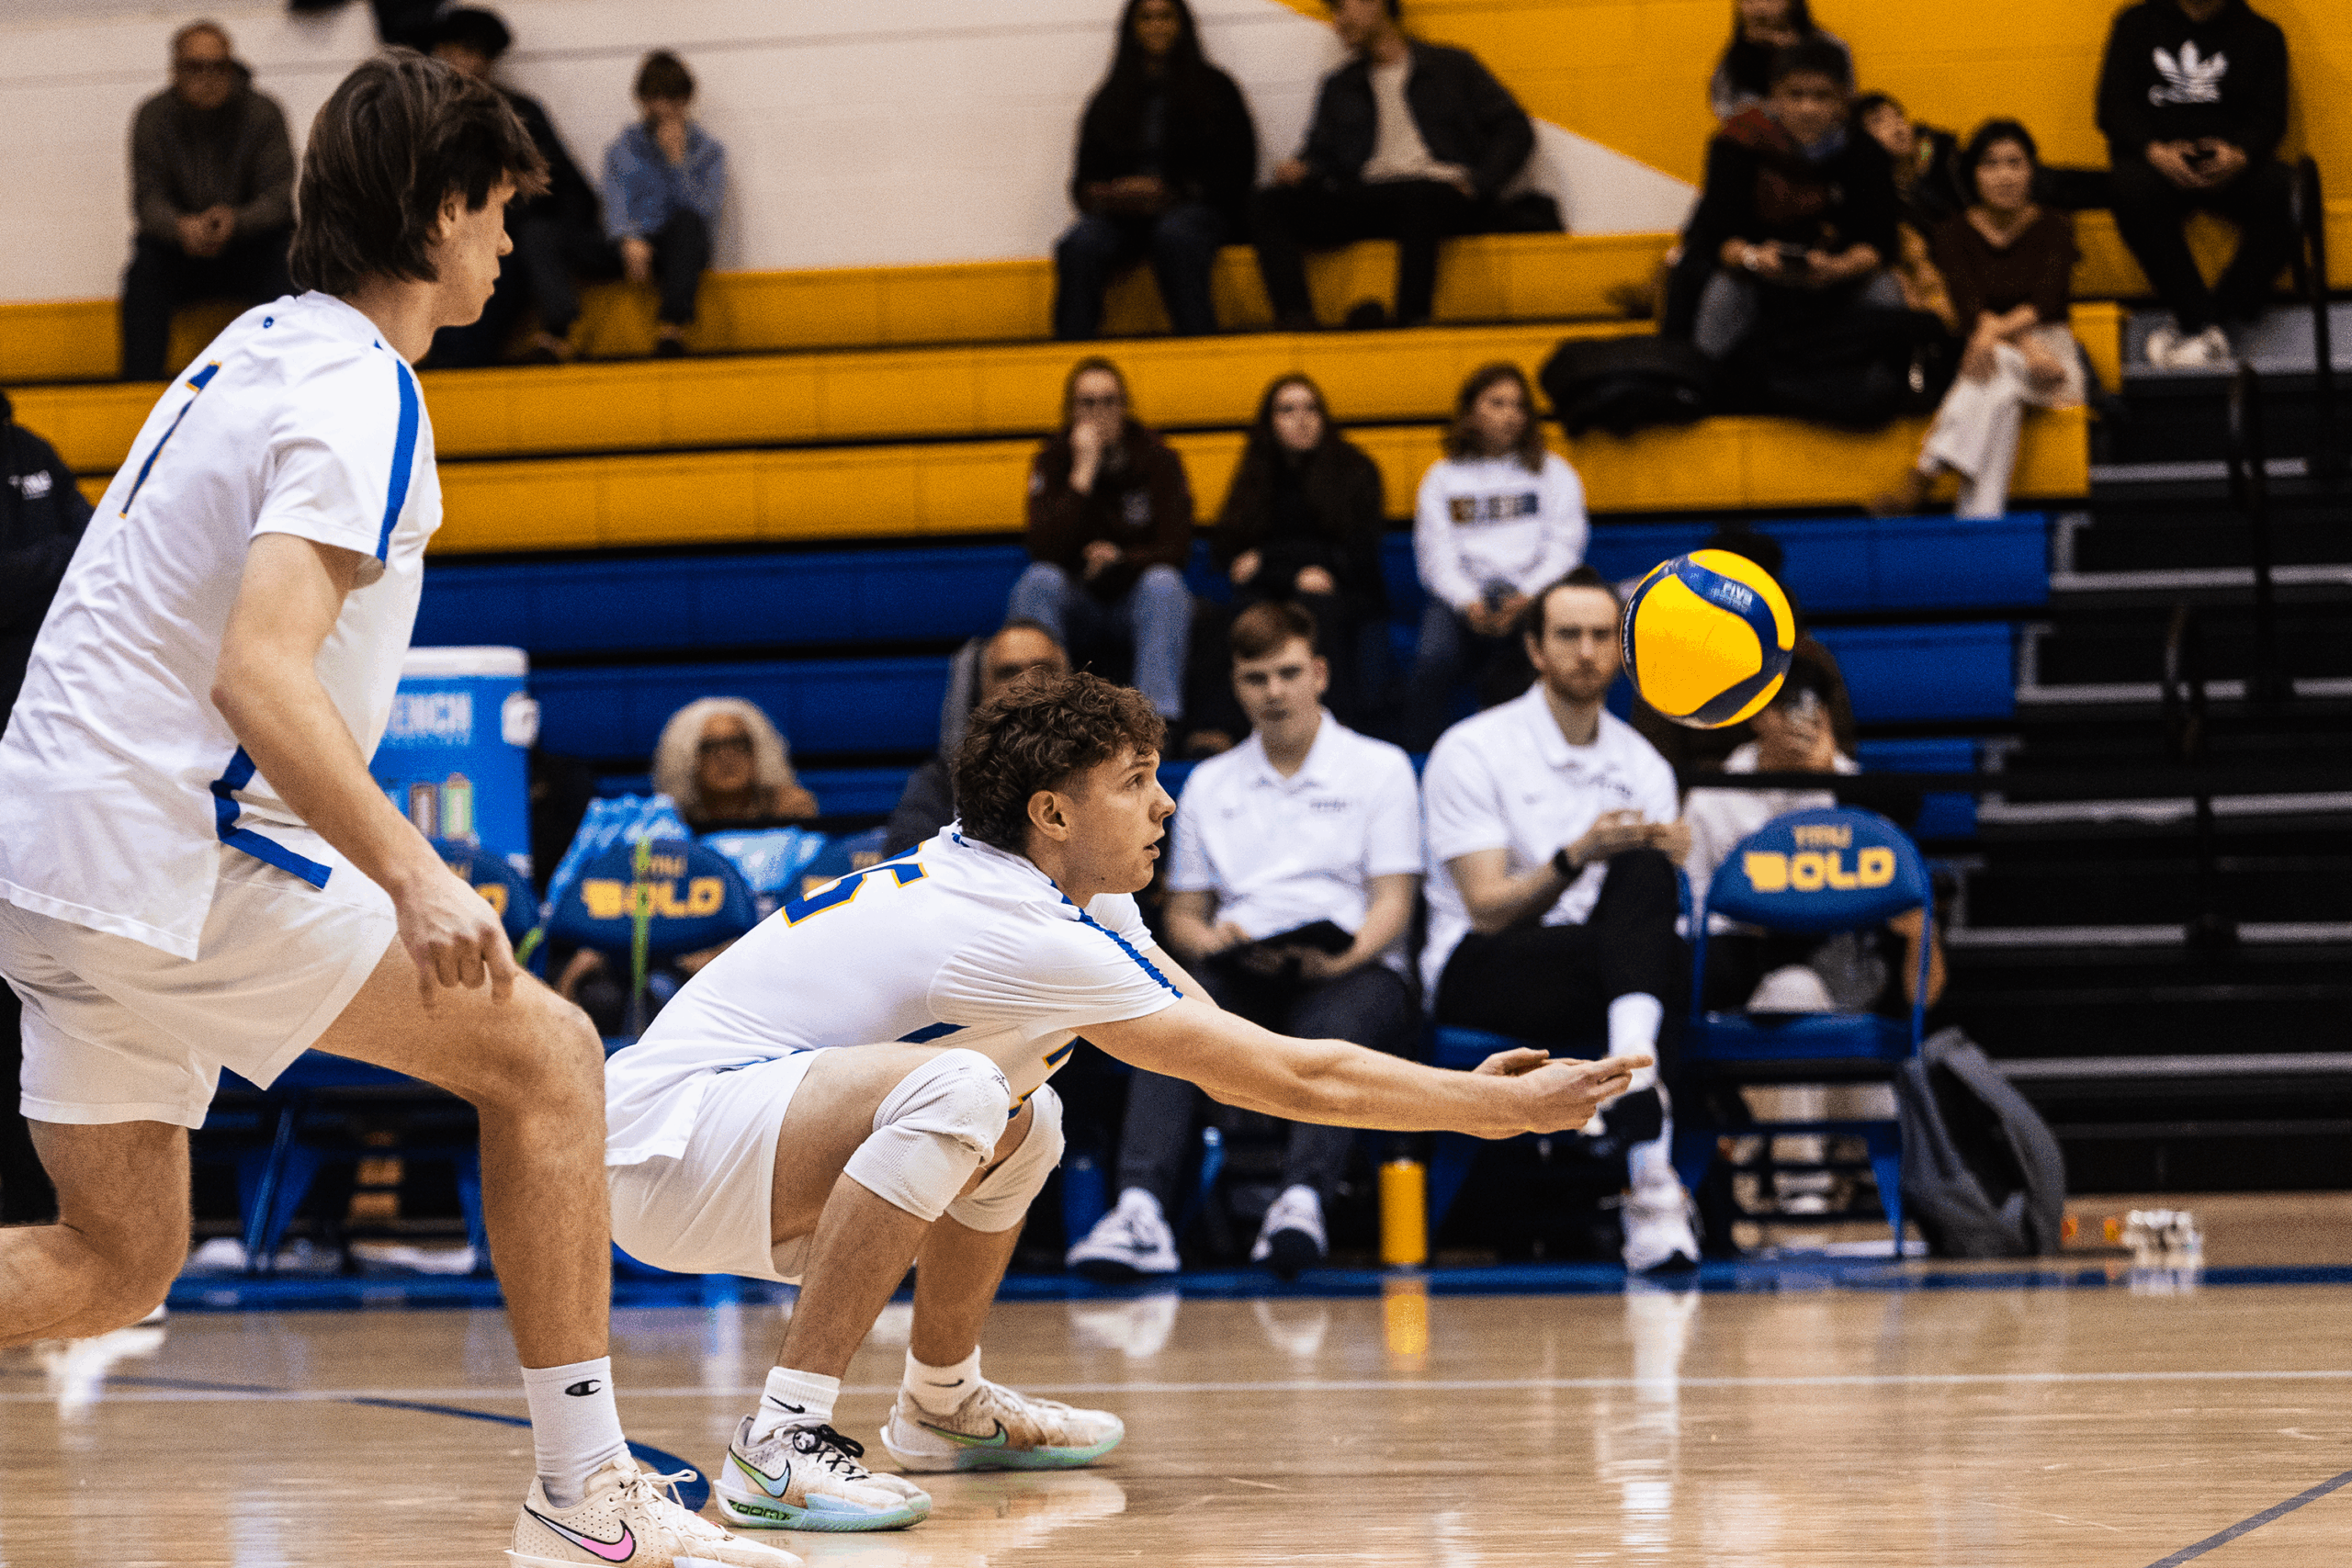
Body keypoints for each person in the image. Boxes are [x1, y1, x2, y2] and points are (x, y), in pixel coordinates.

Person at [0, 54, 791, 1568]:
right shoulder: (364, 380)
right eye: (497, 213)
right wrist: (419, 875)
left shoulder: (257, 345)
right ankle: (586, 1498)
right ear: (438, 216)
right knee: (551, 1056)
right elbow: (258, 670)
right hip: (163, 848)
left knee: (111, 1262)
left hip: (54, 854)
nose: (508, 246)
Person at [602, 670, 1645, 1531]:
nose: (1167, 802)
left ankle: (943, 1403)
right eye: (1137, 781)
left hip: (738, 1135)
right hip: (669, 1151)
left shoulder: (1080, 897)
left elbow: (1239, 1044)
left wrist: (1463, 1090)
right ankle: (781, 1442)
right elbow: (1284, 1079)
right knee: (965, 1086)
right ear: (1053, 813)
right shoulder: (1013, 928)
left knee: (1026, 1118)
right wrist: (1490, 1109)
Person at [1066, 603, 1422, 1280]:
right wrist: (1212, 939)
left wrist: (1336, 958)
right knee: (1161, 1011)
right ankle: (1139, 1210)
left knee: (1339, 1023)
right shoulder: (1209, 782)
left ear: (1319, 673)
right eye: (1257, 678)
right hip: (1241, 965)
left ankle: (1301, 1203)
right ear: (1237, 685)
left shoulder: (1380, 769)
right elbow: (1184, 916)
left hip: (1352, 962)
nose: (1275, 691)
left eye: (1289, 673)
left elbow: (1394, 904)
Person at [1420, 569, 1702, 1272]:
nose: (1587, 651)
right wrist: (1577, 856)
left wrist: (1675, 862)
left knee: (1648, 875)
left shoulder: (1641, 761)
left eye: (1603, 635)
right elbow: (1486, 907)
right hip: (1487, 963)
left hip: (1604, 971)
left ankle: (1643, 1121)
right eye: (1569, 635)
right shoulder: (1473, 747)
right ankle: (1653, 1176)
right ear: (1536, 649)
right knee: (1653, 965)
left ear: (1622, 649)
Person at [1679, 659, 1944, 1215]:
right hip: (1748, 996)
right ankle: (1803, 1184)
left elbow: (1922, 964)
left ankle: (1783, 1158)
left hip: (1851, 989)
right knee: (1793, 991)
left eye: (1810, 706)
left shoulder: (1861, 802)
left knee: (1875, 1098)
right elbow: (1694, 925)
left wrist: (1827, 782)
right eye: (1784, 705)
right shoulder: (1712, 798)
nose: (1799, 720)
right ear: (1754, 715)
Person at [1251, 0, 1544, 331]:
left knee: (1420, 196)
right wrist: (1302, 169)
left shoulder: (1451, 67)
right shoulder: (1341, 85)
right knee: (1268, 204)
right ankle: (1296, 320)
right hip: (1370, 194)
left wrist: (1477, 182)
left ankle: (1411, 320)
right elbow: (1321, 155)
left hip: (1436, 193)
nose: (1337, 22)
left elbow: (1515, 130)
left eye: (1341, 8)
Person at [1878, 122, 2084, 520]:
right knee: (2002, 391)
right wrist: (2011, 343)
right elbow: (1968, 302)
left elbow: (2045, 300)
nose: (2004, 175)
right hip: (2002, 354)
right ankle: (1980, 519)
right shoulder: (1952, 232)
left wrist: (1995, 337)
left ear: (2031, 171)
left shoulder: (2056, 224)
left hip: (2052, 358)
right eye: (1990, 165)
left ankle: (1925, 471)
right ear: (1974, 174)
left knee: (1996, 368)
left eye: (2015, 163)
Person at [1666, 38, 1905, 364]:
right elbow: (1719, 237)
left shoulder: (1866, 153)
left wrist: (1838, 268)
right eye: (1795, 95)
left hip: (1837, 275)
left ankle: (1886, 383)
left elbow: (1877, 242)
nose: (1808, 108)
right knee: (1725, 291)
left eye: (1822, 96)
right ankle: (1709, 384)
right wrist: (1755, 258)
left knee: (1884, 291)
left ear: (1843, 102)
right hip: (1756, 273)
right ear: (1774, 97)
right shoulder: (1737, 145)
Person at [1, 391, 92, 1225]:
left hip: (43, 770)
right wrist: (61, 559)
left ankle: (35, 1217)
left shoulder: (31, 448)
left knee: (32, 1003)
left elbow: (105, 554)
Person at [2097, 0, 2293, 368]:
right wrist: (2154, 152)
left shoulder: (2263, 35)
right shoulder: (2135, 24)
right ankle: (2203, 323)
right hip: (2157, 164)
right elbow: (2113, 108)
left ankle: (2210, 319)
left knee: (2290, 193)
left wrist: (2240, 154)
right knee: (2127, 187)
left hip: (2230, 163)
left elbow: (2271, 118)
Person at [1401, 363, 1585, 752]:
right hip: (1463, 599)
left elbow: (1564, 549)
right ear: (1471, 412)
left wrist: (1527, 596)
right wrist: (1468, 602)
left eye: (1518, 405)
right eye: (1497, 403)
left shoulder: (1555, 473)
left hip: (1534, 595)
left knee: (1548, 653)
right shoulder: (1442, 477)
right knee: (1434, 659)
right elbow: (1435, 555)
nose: (1510, 414)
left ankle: (1551, 751)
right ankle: (1420, 759)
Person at [1054, 0, 1257, 341]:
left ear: (1182, 25)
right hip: (1123, 216)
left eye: (1165, 17)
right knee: (1078, 245)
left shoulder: (1217, 88)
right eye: (1146, 18)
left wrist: (1172, 191)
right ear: (1132, 28)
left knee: (1176, 234)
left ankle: (1198, 349)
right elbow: (1082, 180)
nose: (1156, 26)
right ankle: (1071, 358)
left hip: (1193, 210)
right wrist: (1112, 193)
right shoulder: (1109, 97)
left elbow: (1239, 170)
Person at [1009, 358, 1195, 724]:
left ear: (1124, 408)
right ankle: (1040, 716)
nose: (1099, 413)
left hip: (1133, 599)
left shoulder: (1158, 458)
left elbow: (1176, 549)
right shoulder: (1053, 459)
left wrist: (1121, 558)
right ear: (1071, 410)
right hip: (1077, 597)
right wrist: (1082, 473)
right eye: (1088, 403)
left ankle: (1156, 723)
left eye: (1109, 402)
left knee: (1165, 585)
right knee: (1038, 581)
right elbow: (1041, 549)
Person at [428, 7, 615, 367]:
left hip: (510, 240)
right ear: (443, 51)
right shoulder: (419, 115)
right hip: (456, 242)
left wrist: (536, 232)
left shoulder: (518, 113)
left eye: (484, 55)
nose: (475, 63)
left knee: (471, 323)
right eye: (467, 51)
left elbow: (566, 186)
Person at [119, 21, 296, 382]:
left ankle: (290, 386)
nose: (208, 77)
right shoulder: (152, 116)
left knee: (291, 267)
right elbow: (147, 200)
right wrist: (180, 227)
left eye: (218, 66)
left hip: (251, 248)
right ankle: (137, 395)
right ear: (175, 71)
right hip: (178, 251)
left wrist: (235, 222)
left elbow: (278, 199)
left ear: (231, 68)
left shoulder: (264, 113)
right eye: (195, 67)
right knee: (143, 275)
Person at [1211, 375, 1388, 728]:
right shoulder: (1256, 474)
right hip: (1274, 592)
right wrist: (1293, 567)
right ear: (1270, 422)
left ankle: (1335, 725)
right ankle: (1224, 731)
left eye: (1311, 408)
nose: (1301, 418)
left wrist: (1269, 562)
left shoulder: (1356, 470)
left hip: (1348, 591)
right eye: (1287, 410)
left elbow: (1358, 555)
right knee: (1240, 610)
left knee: (1315, 601)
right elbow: (1226, 554)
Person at [885, 621, 1071, 858]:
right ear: (983, 690)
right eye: (1009, 672)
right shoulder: (940, 782)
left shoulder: (1107, 774)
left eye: (1044, 669)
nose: (1028, 684)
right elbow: (910, 870)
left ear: (1070, 680)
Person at [602, 51, 727, 358]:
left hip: (679, 246)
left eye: (673, 100)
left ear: (686, 100)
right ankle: (556, 332)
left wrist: (677, 163)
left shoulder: (707, 151)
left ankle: (672, 329)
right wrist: (629, 236)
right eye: (655, 99)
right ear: (643, 100)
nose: (664, 109)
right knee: (547, 234)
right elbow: (615, 200)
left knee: (688, 225)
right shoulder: (624, 147)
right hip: (633, 243)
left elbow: (705, 211)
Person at [652, 697, 820, 831]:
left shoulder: (789, 813)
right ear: (686, 759)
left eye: (738, 743)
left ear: (758, 752)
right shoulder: (669, 822)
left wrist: (802, 825)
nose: (727, 756)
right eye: (711, 746)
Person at [1707, 0, 1850, 122]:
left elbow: (1844, 104)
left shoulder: (1829, 46)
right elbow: (1722, 105)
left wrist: (1792, 51)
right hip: (1758, 144)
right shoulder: (1736, 52)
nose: (1759, 9)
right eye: (1749, 0)